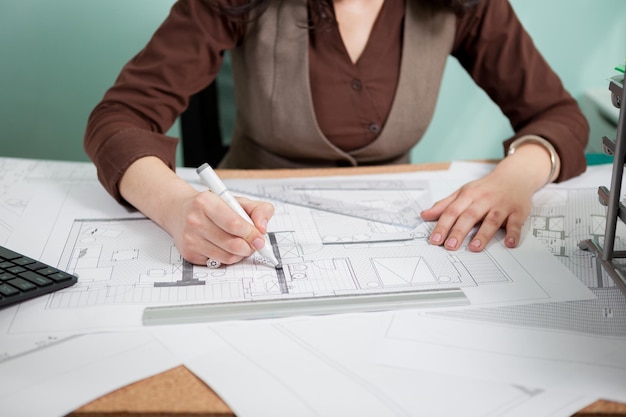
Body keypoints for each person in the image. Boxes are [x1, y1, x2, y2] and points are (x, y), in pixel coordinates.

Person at [84, 0, 589, 267]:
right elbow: (119, 118)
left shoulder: (467, 5)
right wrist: (177, 208)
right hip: (255, 229)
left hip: (407, 238)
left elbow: (558, 115)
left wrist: (514, 179)